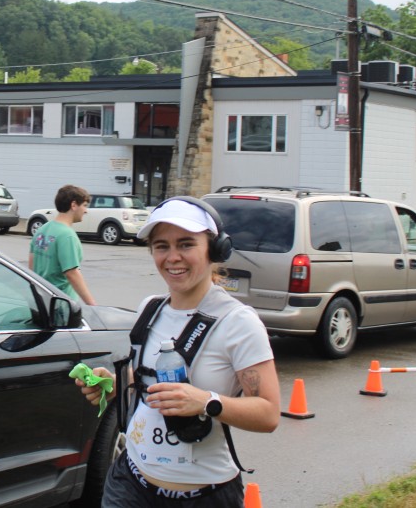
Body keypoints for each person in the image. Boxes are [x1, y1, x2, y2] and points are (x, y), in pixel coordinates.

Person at [76, 196, 279, 507]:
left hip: (204, 495)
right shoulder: (150, 308)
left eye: (186, 244)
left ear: (214, 249)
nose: (173, 257)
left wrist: (207, 402)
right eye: (162, 246)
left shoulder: (238, 322)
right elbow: (148, 379)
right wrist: (115, 384)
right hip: (130, 482)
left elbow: (268, 414)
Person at [28, 184, 96, 305]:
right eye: (84, 205)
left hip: (41, 301)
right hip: (60, 304)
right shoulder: (67, 235)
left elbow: (32, 267)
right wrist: (93, 306)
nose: (86, 211)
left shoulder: (42, 230)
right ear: (74, 205)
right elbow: (72, 273)